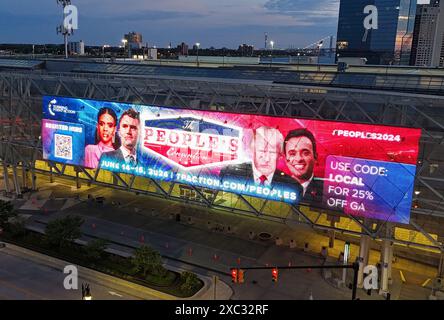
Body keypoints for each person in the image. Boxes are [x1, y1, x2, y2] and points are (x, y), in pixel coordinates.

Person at [221, 126, 291, 186]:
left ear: (280, 155)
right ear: (251, 151)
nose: (266, 159)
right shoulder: (230, 173)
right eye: (261, 151)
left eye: (272, 152)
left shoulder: (290, 183)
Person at [284, 128, 323, 204]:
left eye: (305, 153)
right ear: (285, 159)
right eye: (292, 154)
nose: (298, 159)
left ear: (315, 157)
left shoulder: (325, 190)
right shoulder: (276, 184)